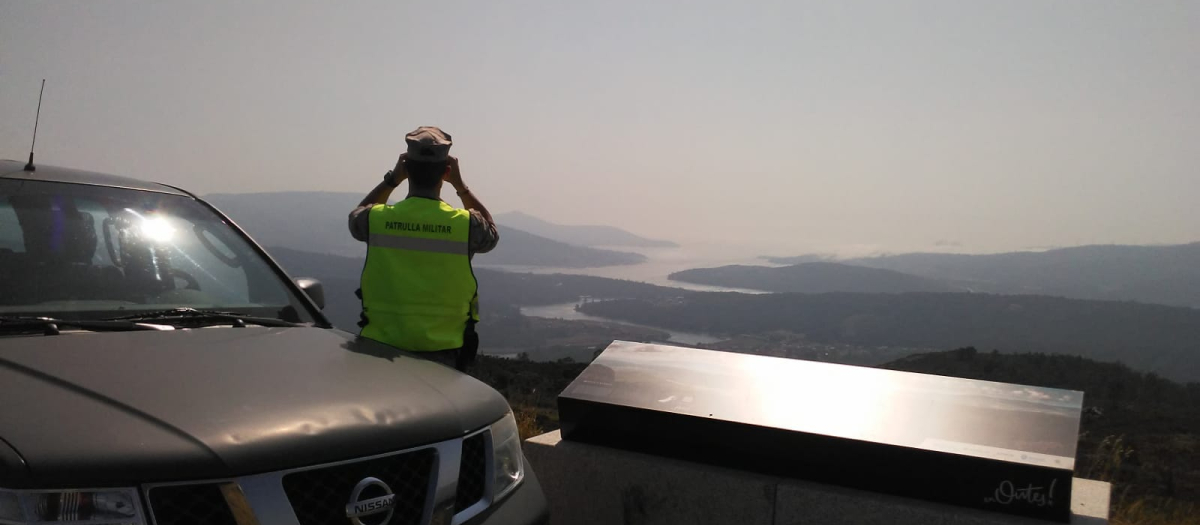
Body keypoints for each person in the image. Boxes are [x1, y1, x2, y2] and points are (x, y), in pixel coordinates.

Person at [348, 126, 499, 371]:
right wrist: (461, 186)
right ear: (447, 172)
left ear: (406, 170)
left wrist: (391, 179)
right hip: (445, 354)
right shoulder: (465, 225)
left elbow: (354, 219)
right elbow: (492, 233)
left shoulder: (375, 219)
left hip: (378, 349)